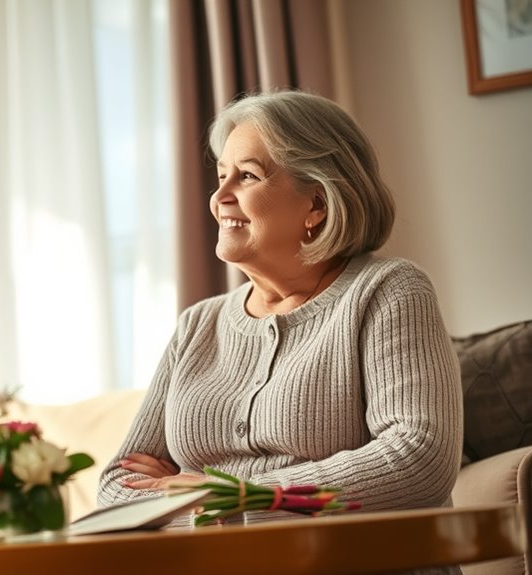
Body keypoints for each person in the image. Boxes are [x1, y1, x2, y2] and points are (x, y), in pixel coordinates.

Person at [97, 91, 463, 527]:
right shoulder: (199, 324)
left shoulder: (387, 291)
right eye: (221, 176)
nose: (219, 197)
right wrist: (207, 519)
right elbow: (119, 484)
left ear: (318, 204)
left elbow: (418, 459)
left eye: (247, 176)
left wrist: (234, 499)